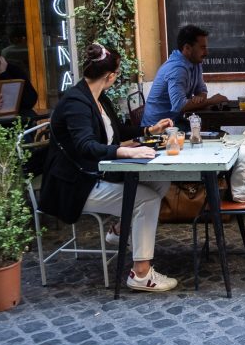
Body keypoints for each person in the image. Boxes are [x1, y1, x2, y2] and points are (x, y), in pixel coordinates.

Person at [39, 43, 178, 292]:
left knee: (160, 180)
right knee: (146, 199)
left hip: (95, 174)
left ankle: (119, 230)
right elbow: (86, 146)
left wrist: (148, 130)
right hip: (75, 185)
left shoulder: (98, 97)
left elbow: (116, 130)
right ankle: (141, 274)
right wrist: (125, 150)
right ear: (111, 76)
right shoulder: (75, 102)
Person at [141, 25, 228, 127]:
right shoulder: (177, 69)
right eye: (202, 48)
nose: (206, 52)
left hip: (175, 121)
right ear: (187, 48)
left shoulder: (195, 62)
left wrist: (199, 98)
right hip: (156, 129)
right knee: (214, 134)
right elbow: (179, 105)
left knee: (214, 131)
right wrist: (211, 101)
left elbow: (202, 90)